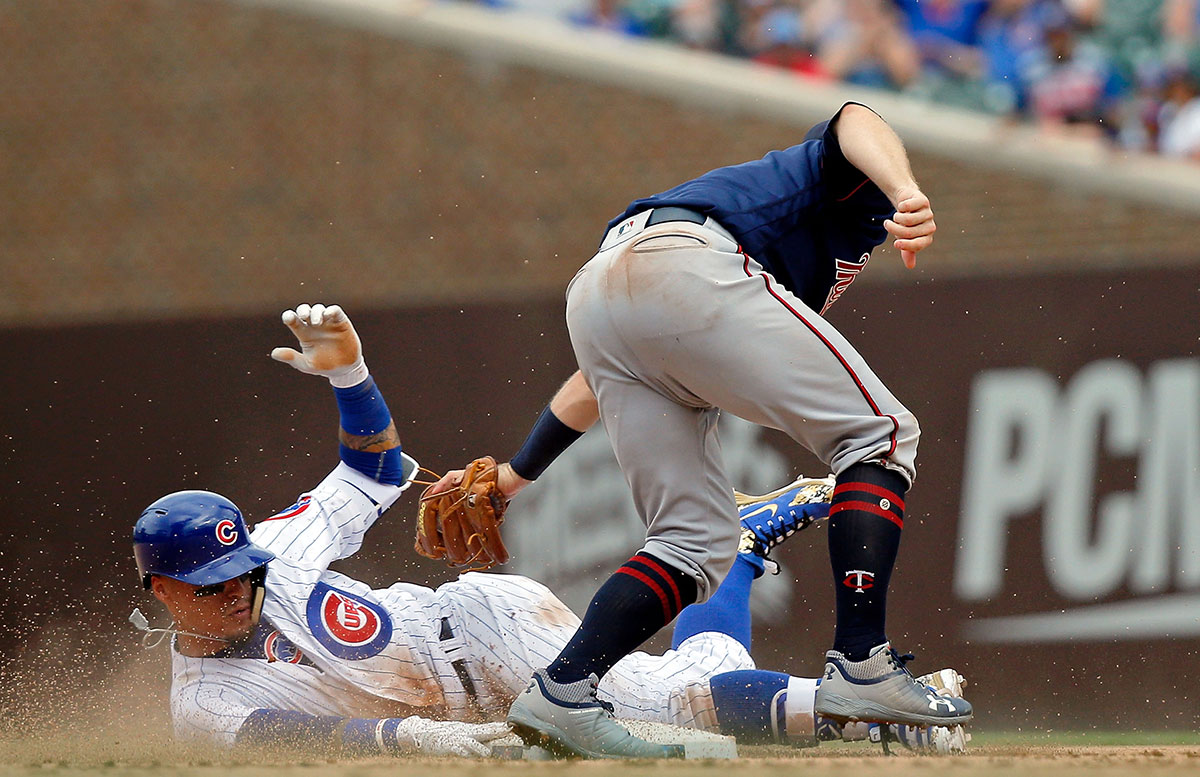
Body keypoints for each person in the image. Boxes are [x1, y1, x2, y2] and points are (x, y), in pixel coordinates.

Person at [131, 302, 970, 757]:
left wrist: (351, 373)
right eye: (213, 582)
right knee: (703, 668)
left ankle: (865, 713)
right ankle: (740, 550)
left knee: (666, 701)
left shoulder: (275, 555)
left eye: (241, 567)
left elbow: (375, 470)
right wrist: (431, 738)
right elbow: (322, 737)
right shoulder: (205, 706)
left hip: (481, 631)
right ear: (163, 590)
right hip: (460, 708)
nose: (240, 585)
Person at [430, 101, 973, 758]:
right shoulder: (842, 181)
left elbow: (590, 383)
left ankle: (564, 693)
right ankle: (861, 661)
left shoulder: (807, 251)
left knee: (697, 542)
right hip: (688, 257)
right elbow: (857, 118)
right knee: (880, 436)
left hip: (605, 293)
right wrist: (907, 188)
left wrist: (518, 473)